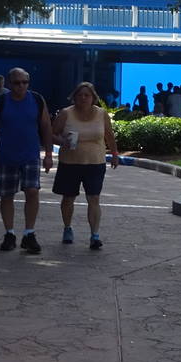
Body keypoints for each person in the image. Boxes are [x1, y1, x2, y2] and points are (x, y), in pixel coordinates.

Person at [0, 68, 53, 253]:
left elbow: (46, 126)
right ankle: (9, 233)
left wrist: (49, 155)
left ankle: (29, 233)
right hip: (6, 155)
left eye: (25, 82)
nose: (21, 86)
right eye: (17, 83)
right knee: (7, 195)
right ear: (10, 84)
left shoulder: (36, 99)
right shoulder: (0, 101)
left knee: (32, 191)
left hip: (30, 155)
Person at [53, 81, 121, 249]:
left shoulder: (101, 114)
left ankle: (94, 235)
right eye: (80, 95)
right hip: (70, 162)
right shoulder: (65, 113)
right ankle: (67, 228)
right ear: (74, 97)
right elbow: (52, 134)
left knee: (94, 198)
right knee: (68, 198)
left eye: (87, 95)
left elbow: (109, 135)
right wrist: (62, 141)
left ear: (93, 98)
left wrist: (114, 154)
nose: (83, 98)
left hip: (95, 162)